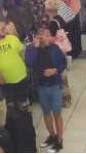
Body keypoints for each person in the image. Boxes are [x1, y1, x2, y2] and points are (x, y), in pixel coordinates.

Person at [25, 24, 67, 153]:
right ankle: (52, 135)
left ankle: (59, 140)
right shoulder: (33, 49)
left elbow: (63, 63)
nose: (44, 37)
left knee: (57, 113)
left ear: (51, 37)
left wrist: (55, 71)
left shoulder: (55, 49)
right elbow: (29, 63)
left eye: (47, 35)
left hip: (54, 86)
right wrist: (34, 48)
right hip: (42, 86)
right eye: (42, 35)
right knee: (46, 113)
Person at [0, 20, 28, 104]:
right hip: (6, 82)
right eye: (2, 28)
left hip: (22, 76)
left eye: (4, 28)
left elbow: (22, 54)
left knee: (24, 103)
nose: (4, 30)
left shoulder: (12, 38)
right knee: (11, 107)